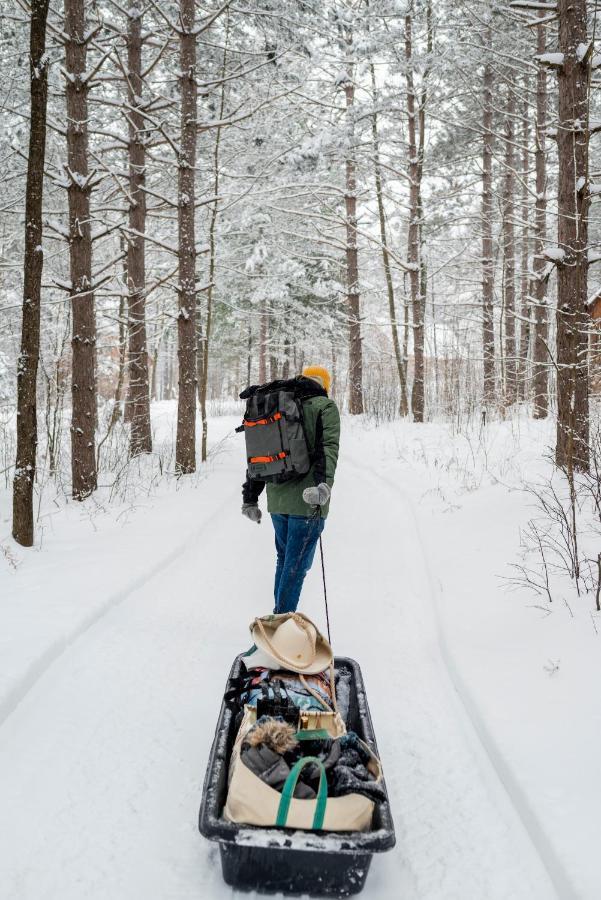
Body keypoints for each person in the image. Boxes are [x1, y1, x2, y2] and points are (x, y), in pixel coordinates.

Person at [241, 365, 340, 614]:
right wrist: (323, 486)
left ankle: (278, 622)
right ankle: (279, 627)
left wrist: (250, 497)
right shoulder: (324, 407)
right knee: (295, 568)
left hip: (277, 501)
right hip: (307, 502)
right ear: (325, 385)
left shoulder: (278, 403)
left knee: (285, 562)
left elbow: (259, 452)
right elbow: (328, 449)